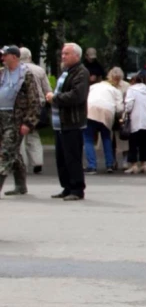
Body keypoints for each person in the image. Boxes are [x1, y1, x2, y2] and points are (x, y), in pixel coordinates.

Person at [46, 43, 89, 201]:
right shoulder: (66, 71)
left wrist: (55, 98)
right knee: (62, 159)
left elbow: (77, 96)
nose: (63, 56)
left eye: (67, 54)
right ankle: (67, 187)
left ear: (76, 56)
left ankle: (77, 189)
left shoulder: (81, 72)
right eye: (63, 53)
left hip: (72, 122)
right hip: (60, 123)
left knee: (72, 157)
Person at [0, 46, 40, 197]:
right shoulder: (2, 74)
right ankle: (21, 185)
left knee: (5, 153)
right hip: (1, 117)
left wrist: (29, 122)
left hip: (16, 119)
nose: (3, 58)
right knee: (14, 152)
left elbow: (35, 101)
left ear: (14, 57)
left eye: (5, 55)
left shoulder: (26, 75)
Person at [83, 67, 124, 174]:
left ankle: (92, 166)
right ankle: (109, 164)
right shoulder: (116, 91)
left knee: (88, 139)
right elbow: (120, 109)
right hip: (107, 112)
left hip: (91, 110)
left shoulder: (94, 86)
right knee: (106, 137)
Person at [19, 47, 52, 174]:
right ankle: (38, 161)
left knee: (21, 135)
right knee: (33, 133)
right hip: (38, 106)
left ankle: (23, 164)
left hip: (22, 107)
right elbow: (47, 89)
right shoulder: (39, 70)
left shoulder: (16, 71)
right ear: (30, 57)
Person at [124, 75, 146, 174]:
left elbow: (129, 105)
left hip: (136, 120)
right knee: (144, 143)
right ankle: (144, 164)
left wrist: (126, 112)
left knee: (133, 143)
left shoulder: (132, 90)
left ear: (133, 81)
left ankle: (134, 165)